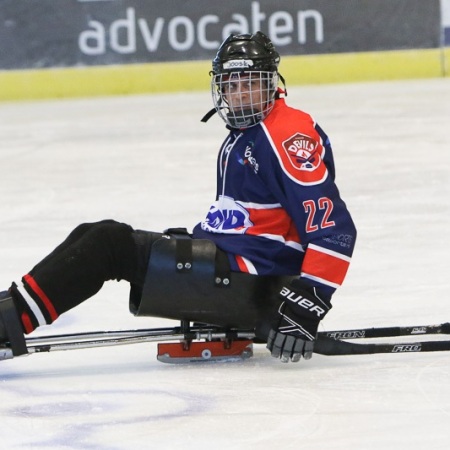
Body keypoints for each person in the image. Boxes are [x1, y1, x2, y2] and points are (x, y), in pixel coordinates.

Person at [0, 31, 356, 363]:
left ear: (272, 85)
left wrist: (304, 305)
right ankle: (10, 312)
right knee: (94, 233)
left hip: (255, 284)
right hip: (236, 268)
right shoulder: (249, 131)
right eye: (233, 85)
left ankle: (9, 322)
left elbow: (334, 231)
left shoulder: (286, 135)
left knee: (107, 244)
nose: (242, 94)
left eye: (251, 83)